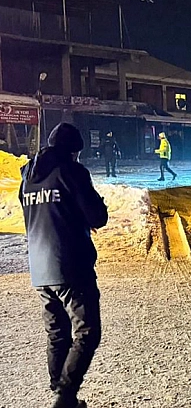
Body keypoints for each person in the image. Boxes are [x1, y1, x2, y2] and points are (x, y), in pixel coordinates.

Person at [19, 122, 108, 408]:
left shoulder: (28, 175)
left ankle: (60, 391)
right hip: (70, 264)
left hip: (40, 267)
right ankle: (65, 395)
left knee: (57, 332)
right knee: (87, 331)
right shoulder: (72, 171)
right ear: (73, 152)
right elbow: (96, 216)